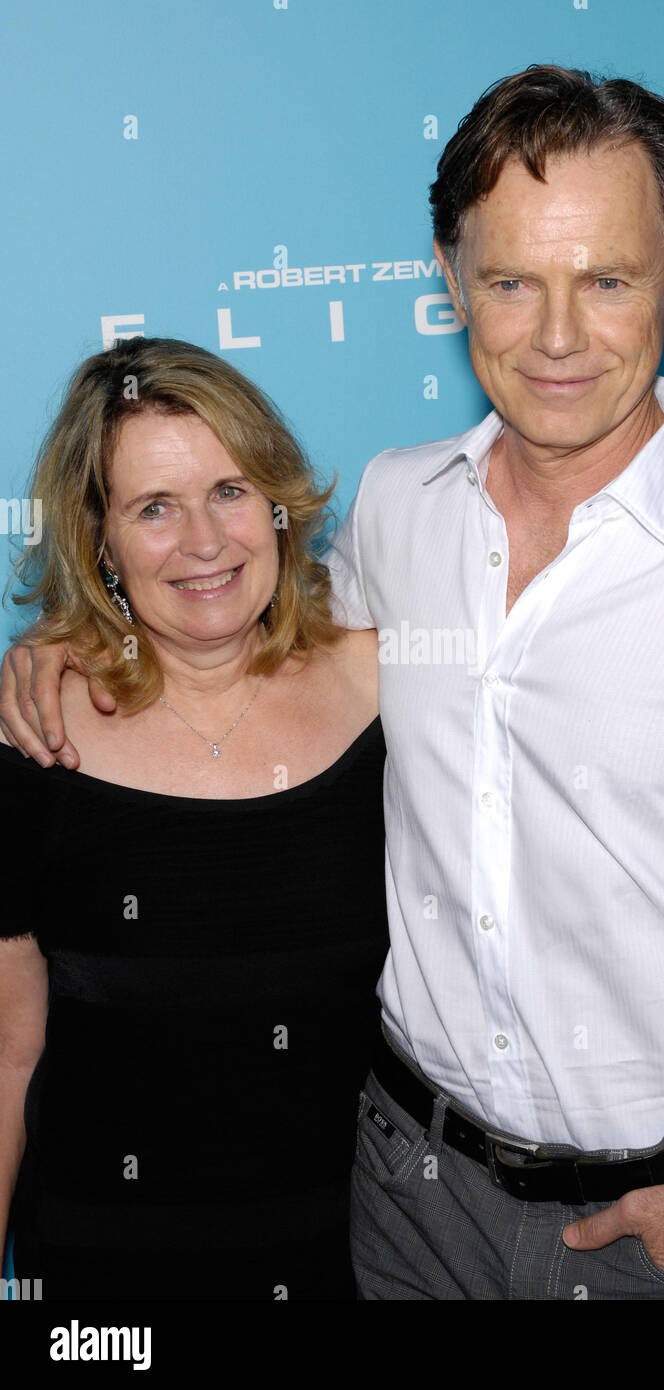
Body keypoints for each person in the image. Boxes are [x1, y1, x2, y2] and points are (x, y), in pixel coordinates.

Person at [0, 70, 664, 1300]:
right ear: (450, 282)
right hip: (403, 1215)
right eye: (509, 281)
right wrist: (60, 641)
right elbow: (237, 619)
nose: (555, 334)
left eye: (604, 278)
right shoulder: (400, 510)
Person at [0, 336, 386, 1299]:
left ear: (278, 504)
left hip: (365, 1261)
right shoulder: (33, 742)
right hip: (104, 1275)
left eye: (229, 490)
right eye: (154, 508)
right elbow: (8, 1046)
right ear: (101, 541)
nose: (205, 542)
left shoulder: (394, 688)